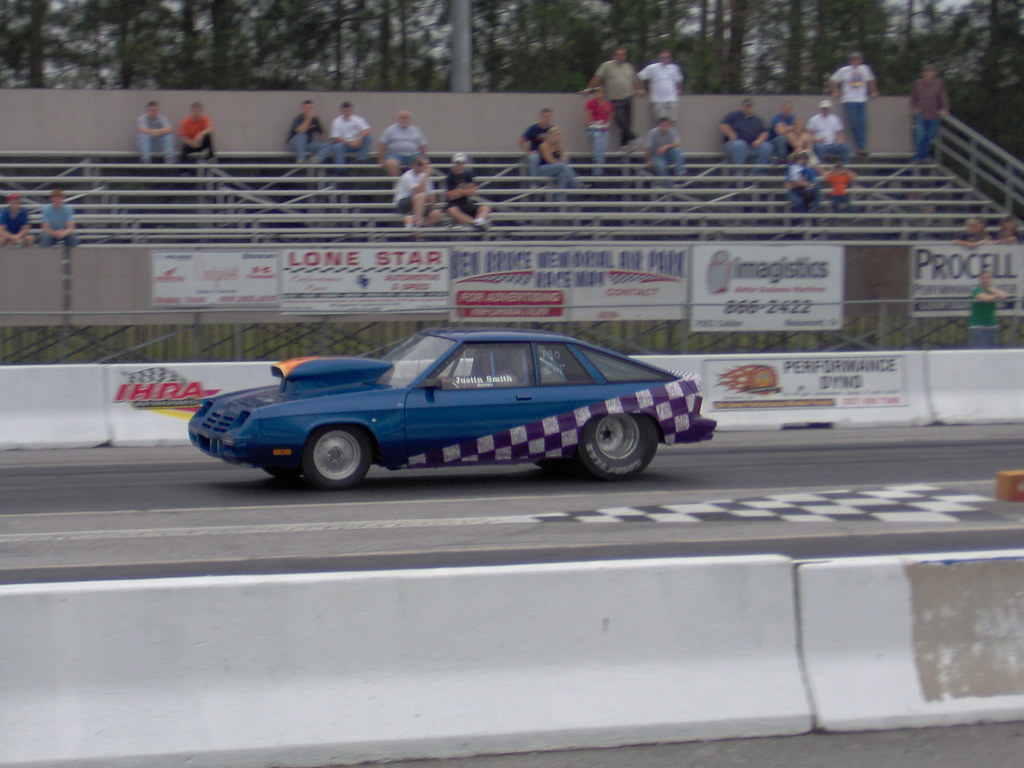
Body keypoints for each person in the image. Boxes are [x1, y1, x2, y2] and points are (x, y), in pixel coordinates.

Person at [581, 47, 638, 149]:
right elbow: (597, 77)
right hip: (614, 98)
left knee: (627, 123)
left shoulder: (629, 66)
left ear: (625, 56)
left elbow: (635, 80)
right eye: (618, 54)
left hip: (628, 97)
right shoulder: (607, 65)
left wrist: (638, 90)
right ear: (614, 55)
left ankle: (624, 145)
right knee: (620, 120)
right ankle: (634, 137)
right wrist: (589, 89)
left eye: (622, 54)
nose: (620, 56)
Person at [830, 51, 878, 156]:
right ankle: (860, 147)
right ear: (850, 61)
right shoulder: (844, 70)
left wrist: (873, 91)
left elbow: (871, 80)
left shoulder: (865, 69)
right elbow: (833, 80)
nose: (855, 61)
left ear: (861, 60)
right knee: (855, 123)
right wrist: (835, 91)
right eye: (853, 59)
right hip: (849, 99)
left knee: (862, 124)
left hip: (862, 99)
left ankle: (862, 147)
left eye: (857, 59)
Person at [910, 64, 950, 163]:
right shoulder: (917, 83)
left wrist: (945, 108)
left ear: (935, 73)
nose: (928, 74)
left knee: (930, 137)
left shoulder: (939, 84)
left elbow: (944, 98)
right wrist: (914, 108)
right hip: (921, 113)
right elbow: (913, 97)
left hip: (934, 114)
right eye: (926, 71)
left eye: (931, 71)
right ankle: (917, 156)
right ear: (923, 73)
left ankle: (922, 157)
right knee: (920, 135)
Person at [718, 98, 772, 169]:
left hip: (752, 146)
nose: (747, 108)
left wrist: (759, 140)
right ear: (742, 106)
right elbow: (723, 125)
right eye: (746, 106)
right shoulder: (733, 116)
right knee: (740, 144)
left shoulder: (757, 119)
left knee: (767, 147)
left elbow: (764, 132)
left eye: (749, 106)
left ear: (752, 107)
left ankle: (757, 172)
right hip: (734, 145)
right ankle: (738, 172)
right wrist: (731, 133)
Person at [636, 49, 684, 127]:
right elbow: (640, 77)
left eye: (667, 57)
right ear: (659, 58)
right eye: (663, 57)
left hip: (672, 99)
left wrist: (678, 89)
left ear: (670, 58)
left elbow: (678, 80)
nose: (665, 59)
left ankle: (669, 134)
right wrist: (641, 89)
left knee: (672, 121)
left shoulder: (674, 68)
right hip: (658, 100)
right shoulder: (652, 68)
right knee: (662, 123)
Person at [445, 153, 492, 230]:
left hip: (466, 203)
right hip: (454, 205)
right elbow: (450, 196)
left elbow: (472, 192)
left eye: (462, 162)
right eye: (458, 162)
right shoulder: (450, 176)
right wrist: (464, 190)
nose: (460, 164)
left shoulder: (468, 175)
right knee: (452, 210)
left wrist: (459, 191)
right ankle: (475, 223)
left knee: (486, 207)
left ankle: (479, 221)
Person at [393, 156, 442, 229]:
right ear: (413, 166)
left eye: (425, 165)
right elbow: (418, 190)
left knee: (436, 213)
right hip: (403, 202)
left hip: (419, 203)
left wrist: (433, 208)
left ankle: (423, 227)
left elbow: (430, 195)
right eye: (420, 164)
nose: (423, 167)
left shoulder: (425, 176)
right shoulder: (407, 176)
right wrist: (426, 176)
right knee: (420, 196)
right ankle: (418, 224)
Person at [378, 110, 428, 177]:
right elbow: (383, 143)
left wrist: (424, 158)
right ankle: (397, 182)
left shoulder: (416, 130)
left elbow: (422, 145)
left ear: (410, 119)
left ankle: (415, 182)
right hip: (395, 155)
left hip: (413, 156)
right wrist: (381, 159)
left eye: (406, 117)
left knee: (421, 163)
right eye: (402, 117)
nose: (405, 119)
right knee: (391, 163)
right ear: (398, 119)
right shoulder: (390, 130)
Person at [967, 270, 1009, 349]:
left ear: (991, 279)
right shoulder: (976, 290)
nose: (986, 280)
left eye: (988, 278)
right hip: (978, 327)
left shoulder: (992, 290)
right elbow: (984, 298)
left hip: (992, 326)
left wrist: (991, 289)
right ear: (980, 280)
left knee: (992, 353)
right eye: (983, 278)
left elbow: (1005, 295)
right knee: (981, 352)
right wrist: (996, 296)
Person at [537, 126, 579, 200]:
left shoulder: (559, 146)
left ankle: (559, 199)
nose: (557, 136)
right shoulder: (543, 145)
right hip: (543, 169)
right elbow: (549, 160)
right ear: (550, 135)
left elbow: (564, 159)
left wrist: (561, 149)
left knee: (562, 173)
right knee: (563, 166)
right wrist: (560, 163)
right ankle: (576, 184)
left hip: (557, 169)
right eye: (555, 135)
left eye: (559, 135)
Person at [329, 101, 373, 170]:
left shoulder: (357, 119)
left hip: (357, 143)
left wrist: (359, 139)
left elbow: (368, 130)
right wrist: (349, 143)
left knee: (368, 138)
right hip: (345, 145)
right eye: (345, 111)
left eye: (348, 110)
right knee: (337, 146)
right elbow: (335, 138)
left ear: (351, 110)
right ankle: (340, 171)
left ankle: (362, 160)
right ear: (342, 111)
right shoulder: (336, 121)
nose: (347, 113)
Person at [806, 99, 852, 164]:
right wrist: (817, 140)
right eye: (823, 108)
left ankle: (845, 166)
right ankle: (821, 166)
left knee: (846, 147)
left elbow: (839, 133)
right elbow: (808, 134)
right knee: (820, 147)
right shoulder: (813, 119)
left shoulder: (835, 118)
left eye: (827, 108)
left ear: (830, 109)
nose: (825, 110)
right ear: (820, 109)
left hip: (833, 144)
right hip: (819, 143)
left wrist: (841, 140)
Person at [644, 117, 685, 186]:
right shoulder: (652, 133)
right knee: (661, 166)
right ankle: (670, 186)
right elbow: (648, 148)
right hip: (657, 156)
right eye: (663, 125)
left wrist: (665, 147)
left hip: (669, 154)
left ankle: (680, 174)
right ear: (658, 125)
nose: (665, 127)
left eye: (667, 125)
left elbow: (678, 143)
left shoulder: (672, 131)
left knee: (677, 150)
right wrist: (648, 160)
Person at [286, 99, 330, 164]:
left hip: (306, 145)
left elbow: (322, 135)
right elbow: (300, 131)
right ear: (302, 109)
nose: (308, 110)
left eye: (310, 108)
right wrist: (309, 118)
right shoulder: (299, 118)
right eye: (306, 108)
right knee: (303, 135)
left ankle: (315, 161)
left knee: (326, 146)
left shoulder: (315, 120)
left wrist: (319, 145)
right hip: (293, 144)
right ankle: (301, 159)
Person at [583, 87, 613, 174]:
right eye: (596, 92)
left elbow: (610, 116)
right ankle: (597, 172)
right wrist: (595, 124)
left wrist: (606, 124)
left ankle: (597, 169)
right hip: (593, 129)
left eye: (600, 92)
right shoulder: (590, 103)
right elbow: (588, 117)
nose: (598, 94)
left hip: (604, 129)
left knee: (601, 149)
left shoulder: (608, 104)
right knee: (597, 136)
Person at [519, 107, 554, 180]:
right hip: (537, 154)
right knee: (534, 158)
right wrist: (528, 152)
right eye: (546, 117)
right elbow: (521, 141)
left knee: (564, 160)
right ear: (541, 117)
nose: (547, 119)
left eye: (549, 117)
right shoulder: (533, 129)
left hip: (549, 154)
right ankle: (534, 182)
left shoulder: (552, 129)